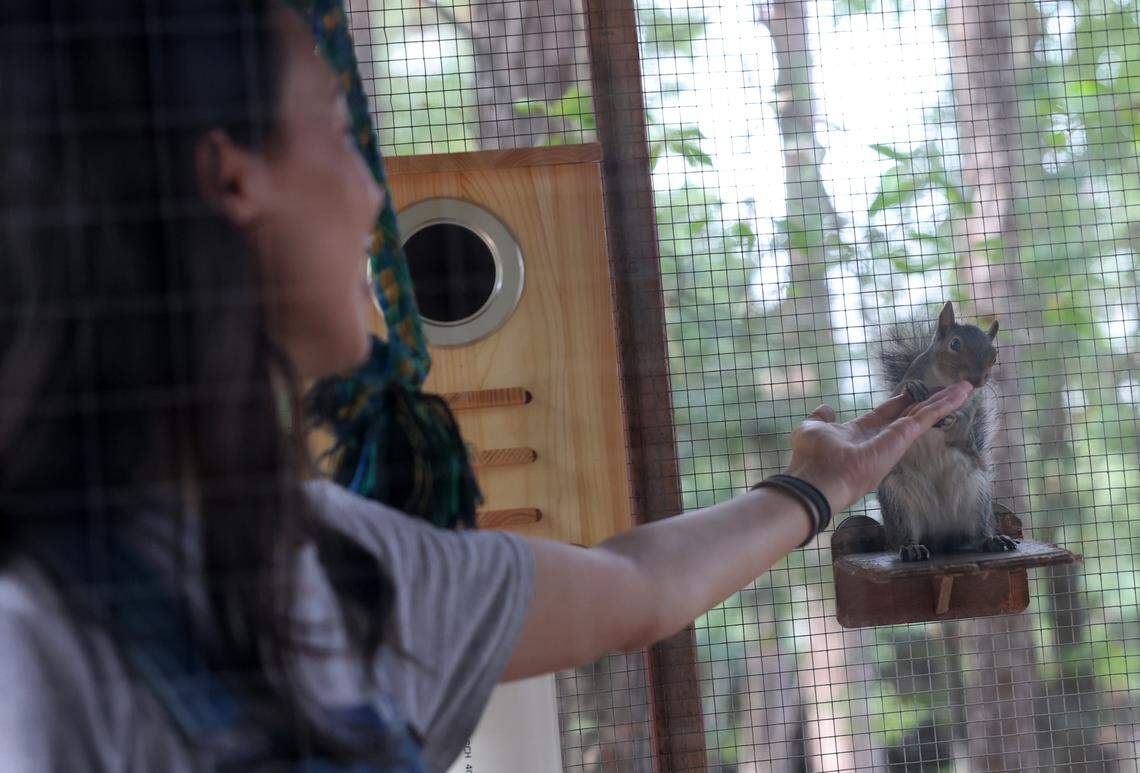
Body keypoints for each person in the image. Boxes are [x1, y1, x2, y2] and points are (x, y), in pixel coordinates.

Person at [0, 2, 973, 771]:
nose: (373, 191)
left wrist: (822, 482)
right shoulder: (31, 627)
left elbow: (636, 588)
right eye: (342, 133)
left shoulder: (326, 555)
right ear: (233, 179)